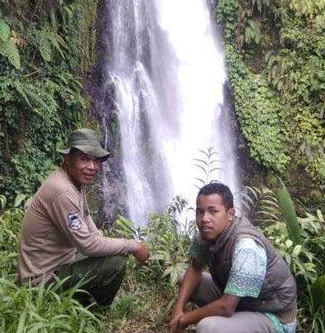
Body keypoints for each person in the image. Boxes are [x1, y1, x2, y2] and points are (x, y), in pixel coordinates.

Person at [17, 128, 150, 306]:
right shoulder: (63, 191)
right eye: (84, 159)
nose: (92, 167)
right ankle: (95, 310)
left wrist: (118, 245)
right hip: (41, 283)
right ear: (67, 159)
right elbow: (87, 245)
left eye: (96, 160)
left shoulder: (76, 183)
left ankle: (82, 300)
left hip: (59, 263)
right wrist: (132, 245)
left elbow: (90, 229)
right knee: (116, 263)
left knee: (109, 253)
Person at [168, 183, 298, 333]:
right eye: (200, 212)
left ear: (230, 214)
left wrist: (185, 319)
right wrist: (178, 311)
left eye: (213, 211)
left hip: (272, 314)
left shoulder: (246, 248)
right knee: (182, 276)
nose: (205, 219)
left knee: (207, 328)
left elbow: (227, 307)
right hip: (242, 301)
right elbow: (195, 268)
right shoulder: (206, 234)